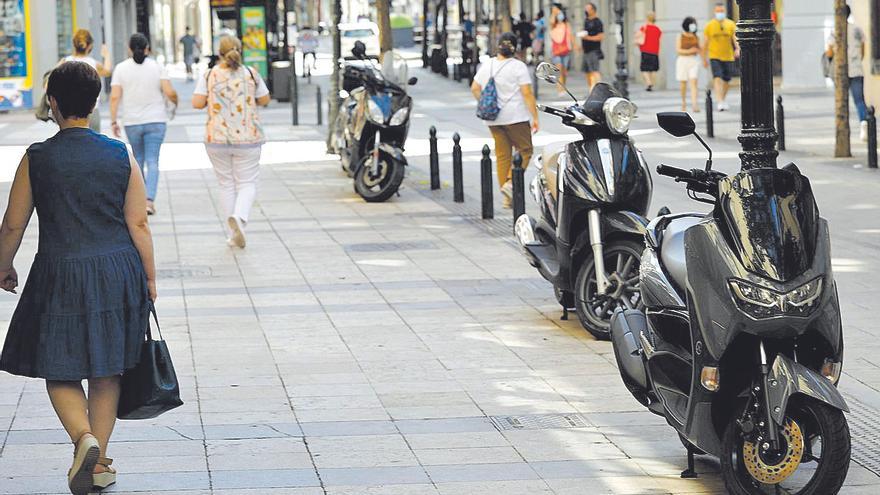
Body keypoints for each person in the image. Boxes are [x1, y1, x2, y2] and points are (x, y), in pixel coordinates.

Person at [0, 61, 156, 495]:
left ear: (52, 103)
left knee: (60, 366)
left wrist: (3, 264)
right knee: (108, 370)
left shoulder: (37, 158)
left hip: (59, 272)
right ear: (95, 102)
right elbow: (139, 223)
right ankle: (99, 460)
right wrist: (150, 278)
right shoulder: (119, 152)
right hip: (116, 270)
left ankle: (83, 440)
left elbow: (14, 224)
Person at [192, 36, 270, 249]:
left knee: (226, 184)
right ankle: (240, 217)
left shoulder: (209, 74)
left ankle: (233, 232)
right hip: (248, 137)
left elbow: (197, 103)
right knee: (247, 183)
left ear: (219, 53)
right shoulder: (251, 73)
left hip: (216, 138)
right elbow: (265, 99)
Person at [110, 33, 178, 216]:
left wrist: (113, 120)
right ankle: (149, 201)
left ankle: (137, 201)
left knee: (137, 160)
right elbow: (169, 92)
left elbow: (115, 96)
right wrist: (175, 102)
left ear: (129, 48)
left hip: (132, 121)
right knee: (153, 161)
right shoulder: (157, 67)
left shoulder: (121, 68)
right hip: (156, 120)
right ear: (147, 48)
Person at [471, 33, 538, 209]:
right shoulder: (518, 67)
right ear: (514, 48)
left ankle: (507, 198)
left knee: (503, 156)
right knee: (525, 150)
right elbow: (527, 93)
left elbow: (475, 88)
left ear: (498, 46)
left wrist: (486, 103)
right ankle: (510, 184)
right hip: (515, 117)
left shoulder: (488, 65)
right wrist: (535, 117)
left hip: (493, 118)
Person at [826, 5, 868, 142]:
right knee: (859, 100)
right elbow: (862, 50)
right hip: (856, 69)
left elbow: (829, 52)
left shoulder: (835, 31)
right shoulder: (857, 29)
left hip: (841, 70)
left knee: (841, 103)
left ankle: (844, 129)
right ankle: (864, 123)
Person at [63, 29, 113, 132]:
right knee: (93, 144)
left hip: (69, 112)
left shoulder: (65, 62)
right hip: (91, 111)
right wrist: (107, 55)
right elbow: (107, 71)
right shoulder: (93, 64)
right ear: (89, 46)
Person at [703, 3, 739, 112]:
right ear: (715, 12)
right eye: (718, 11)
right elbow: (705, 43)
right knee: (717, 77)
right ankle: (719, 101)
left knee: (727, 79)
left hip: (728, 56)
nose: (720, 13)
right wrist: (704, 58)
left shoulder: (730, 24)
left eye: (721, 11)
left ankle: (723, 99)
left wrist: (737, 49)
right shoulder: (709, 25)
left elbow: (734, 37)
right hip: (714, 55)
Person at [676, 16, 703, 112]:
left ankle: (694, 104)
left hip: (694, 60)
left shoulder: (696, 37)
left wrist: (704, 59)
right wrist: (690, 51)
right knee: (683, 82)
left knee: (694, 82)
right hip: (683, 60)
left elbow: (700, 49)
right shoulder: (680, 36)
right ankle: (683, 102)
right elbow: (678, 50)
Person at [580, 2, 604, 91]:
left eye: (588, 9)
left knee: (595, 70)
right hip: (586, 50)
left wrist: (588, 37)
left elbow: (601, 37)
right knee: (587, 72)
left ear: (593, 10)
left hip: (594, 50)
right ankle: (591, 90)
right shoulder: (586, 21)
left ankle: (600, 90)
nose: (586, 11)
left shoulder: (598, 22)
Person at [549, 4, 573, 93]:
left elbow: (570, 35)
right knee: (558, 69)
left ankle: (564, 86)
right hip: (556, 50)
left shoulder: (566, 24)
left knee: (564, 71)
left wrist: (574, 45)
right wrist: (554, 13)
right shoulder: (554, 25)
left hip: (565, 49)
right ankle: (560, 90)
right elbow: (551, 22)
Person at [635, 12, 661, 91]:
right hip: (655, 51)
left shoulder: (644, 28)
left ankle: (648, 83)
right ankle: (652, 83)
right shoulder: (658, 29)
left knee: (644, 69)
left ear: (647, 19)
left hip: (645, 50)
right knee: (653, 69)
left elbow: (637, 36)